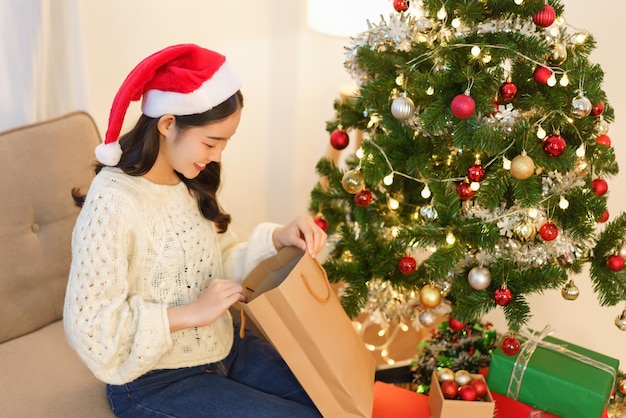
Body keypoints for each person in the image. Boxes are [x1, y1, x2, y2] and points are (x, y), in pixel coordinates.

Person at [63, 44, 326, 417]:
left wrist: (278, 238)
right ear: (168, 124)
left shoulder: (190, 180)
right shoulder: (113, 202)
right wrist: (190, 314)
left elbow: (217, 264)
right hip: (155, 382)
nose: (217, 156)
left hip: (227, 348)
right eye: (211, 142)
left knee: (331, 401)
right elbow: (91, 328)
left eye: (224, 143)